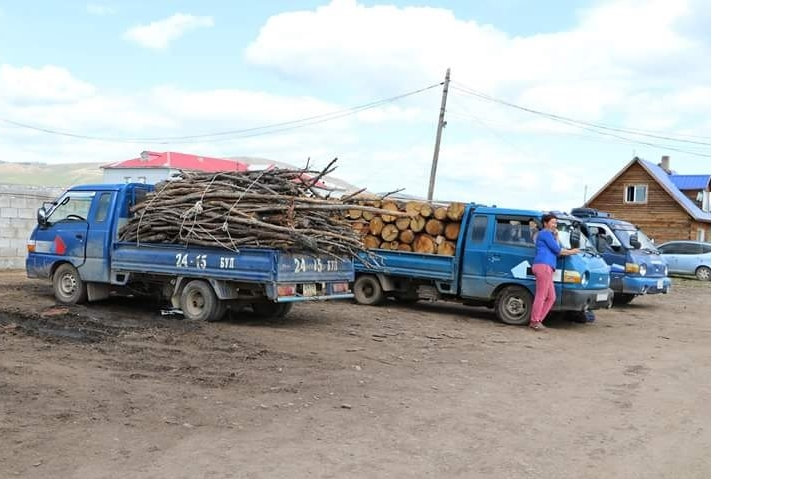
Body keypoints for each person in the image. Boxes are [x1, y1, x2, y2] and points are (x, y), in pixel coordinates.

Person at [529, 214, 580, 330]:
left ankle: (538, 320)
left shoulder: (549, 235)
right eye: (552, 222)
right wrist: (573, 251)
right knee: (541, 295)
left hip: (547, 267)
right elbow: (558, 250)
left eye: (556, 223)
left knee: (551, 297)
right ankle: (534, 321)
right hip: (543, 266)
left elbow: (556, 249)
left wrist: (556, 236)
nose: (554, 225)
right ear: (545, 223)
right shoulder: (545, 233)